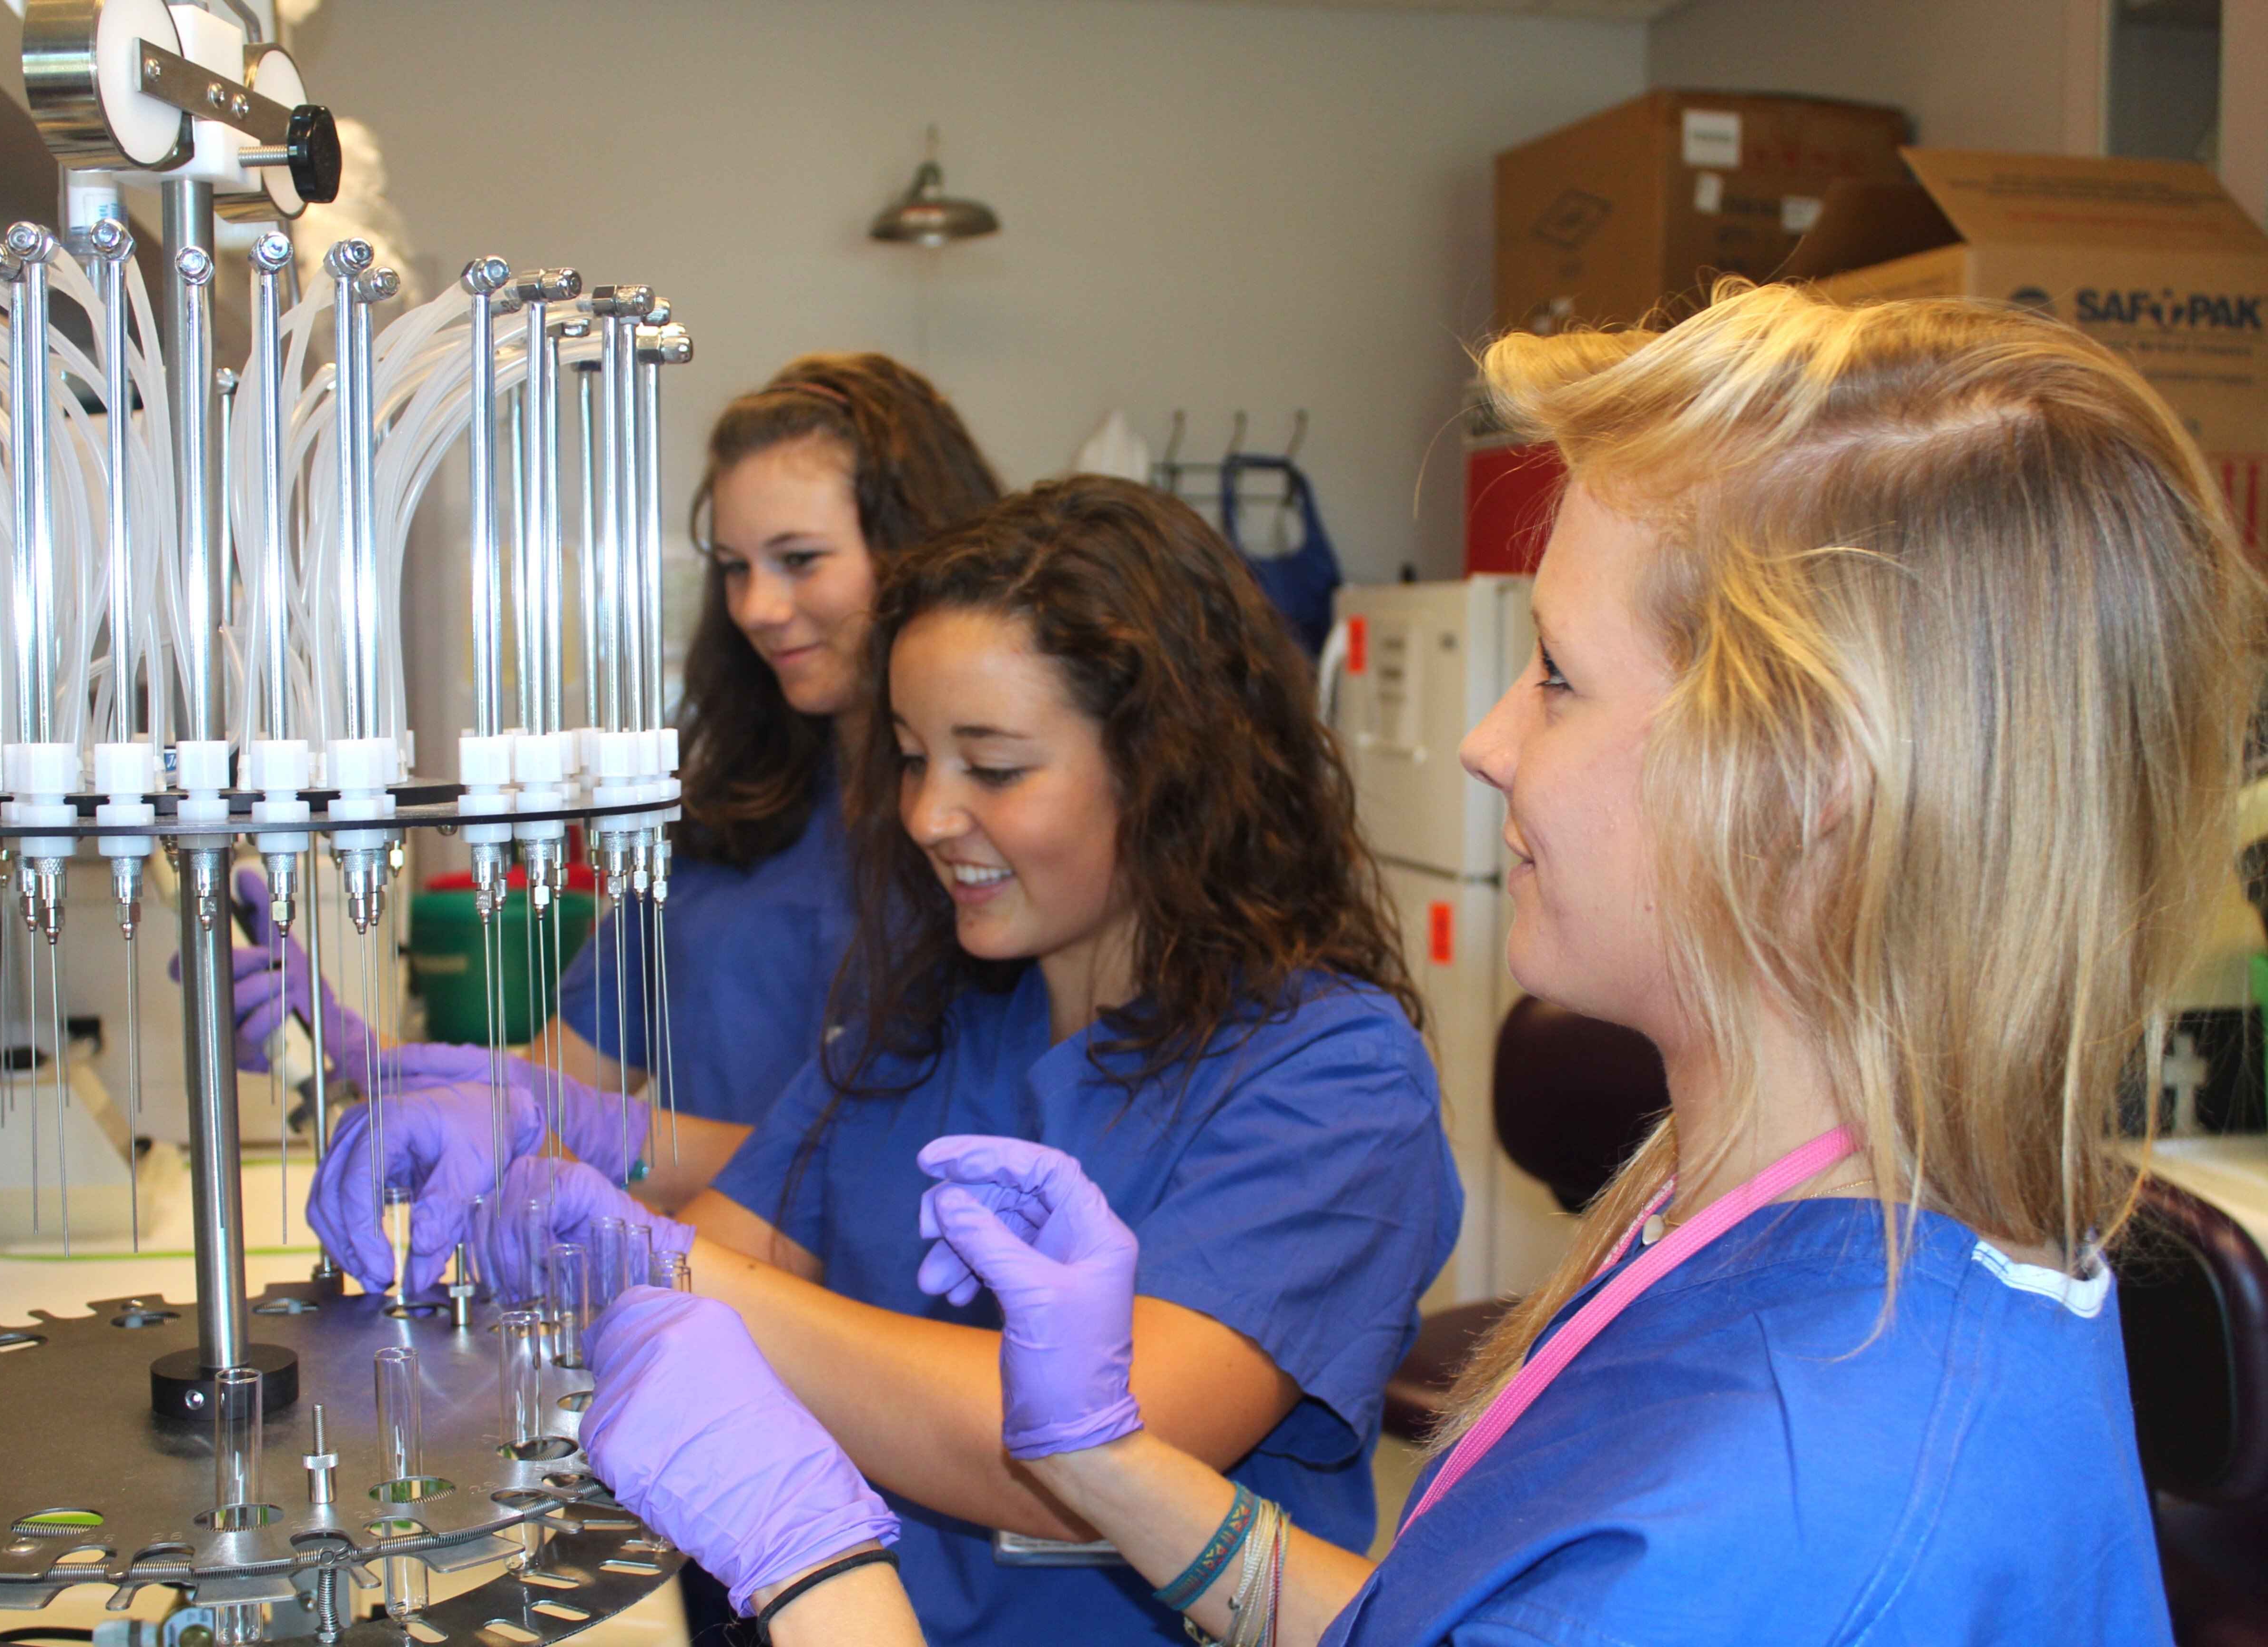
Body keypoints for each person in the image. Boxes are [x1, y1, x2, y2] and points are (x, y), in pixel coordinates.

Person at [569, 280, 2262, 1646]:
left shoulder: (1770, 1508)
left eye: (1558, 676)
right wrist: (1103, 1454)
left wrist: (813, 1568)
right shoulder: (1755, 1225)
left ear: (1800, 782)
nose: (1483, 741)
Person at [515, 475, 1459, 1647]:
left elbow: (1080, 1464)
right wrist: (565, 1207)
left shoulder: (1333, 1082)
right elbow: (734, 1247)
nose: (926, 815)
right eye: (913, 758)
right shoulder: (934, 1018)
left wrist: (656, 1263)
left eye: (994, 768)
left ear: (1168, 776)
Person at [272, 354, 1001, 1288]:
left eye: (799, 560)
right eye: (734, 569)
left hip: (900, 1331)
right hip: (705, 1305)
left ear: (914, 550)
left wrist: (625, 1141)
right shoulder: (733, 818)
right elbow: (558, 1089)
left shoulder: (988, 847)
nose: (758, 608)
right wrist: (375, 1068)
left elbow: (914, 1163)